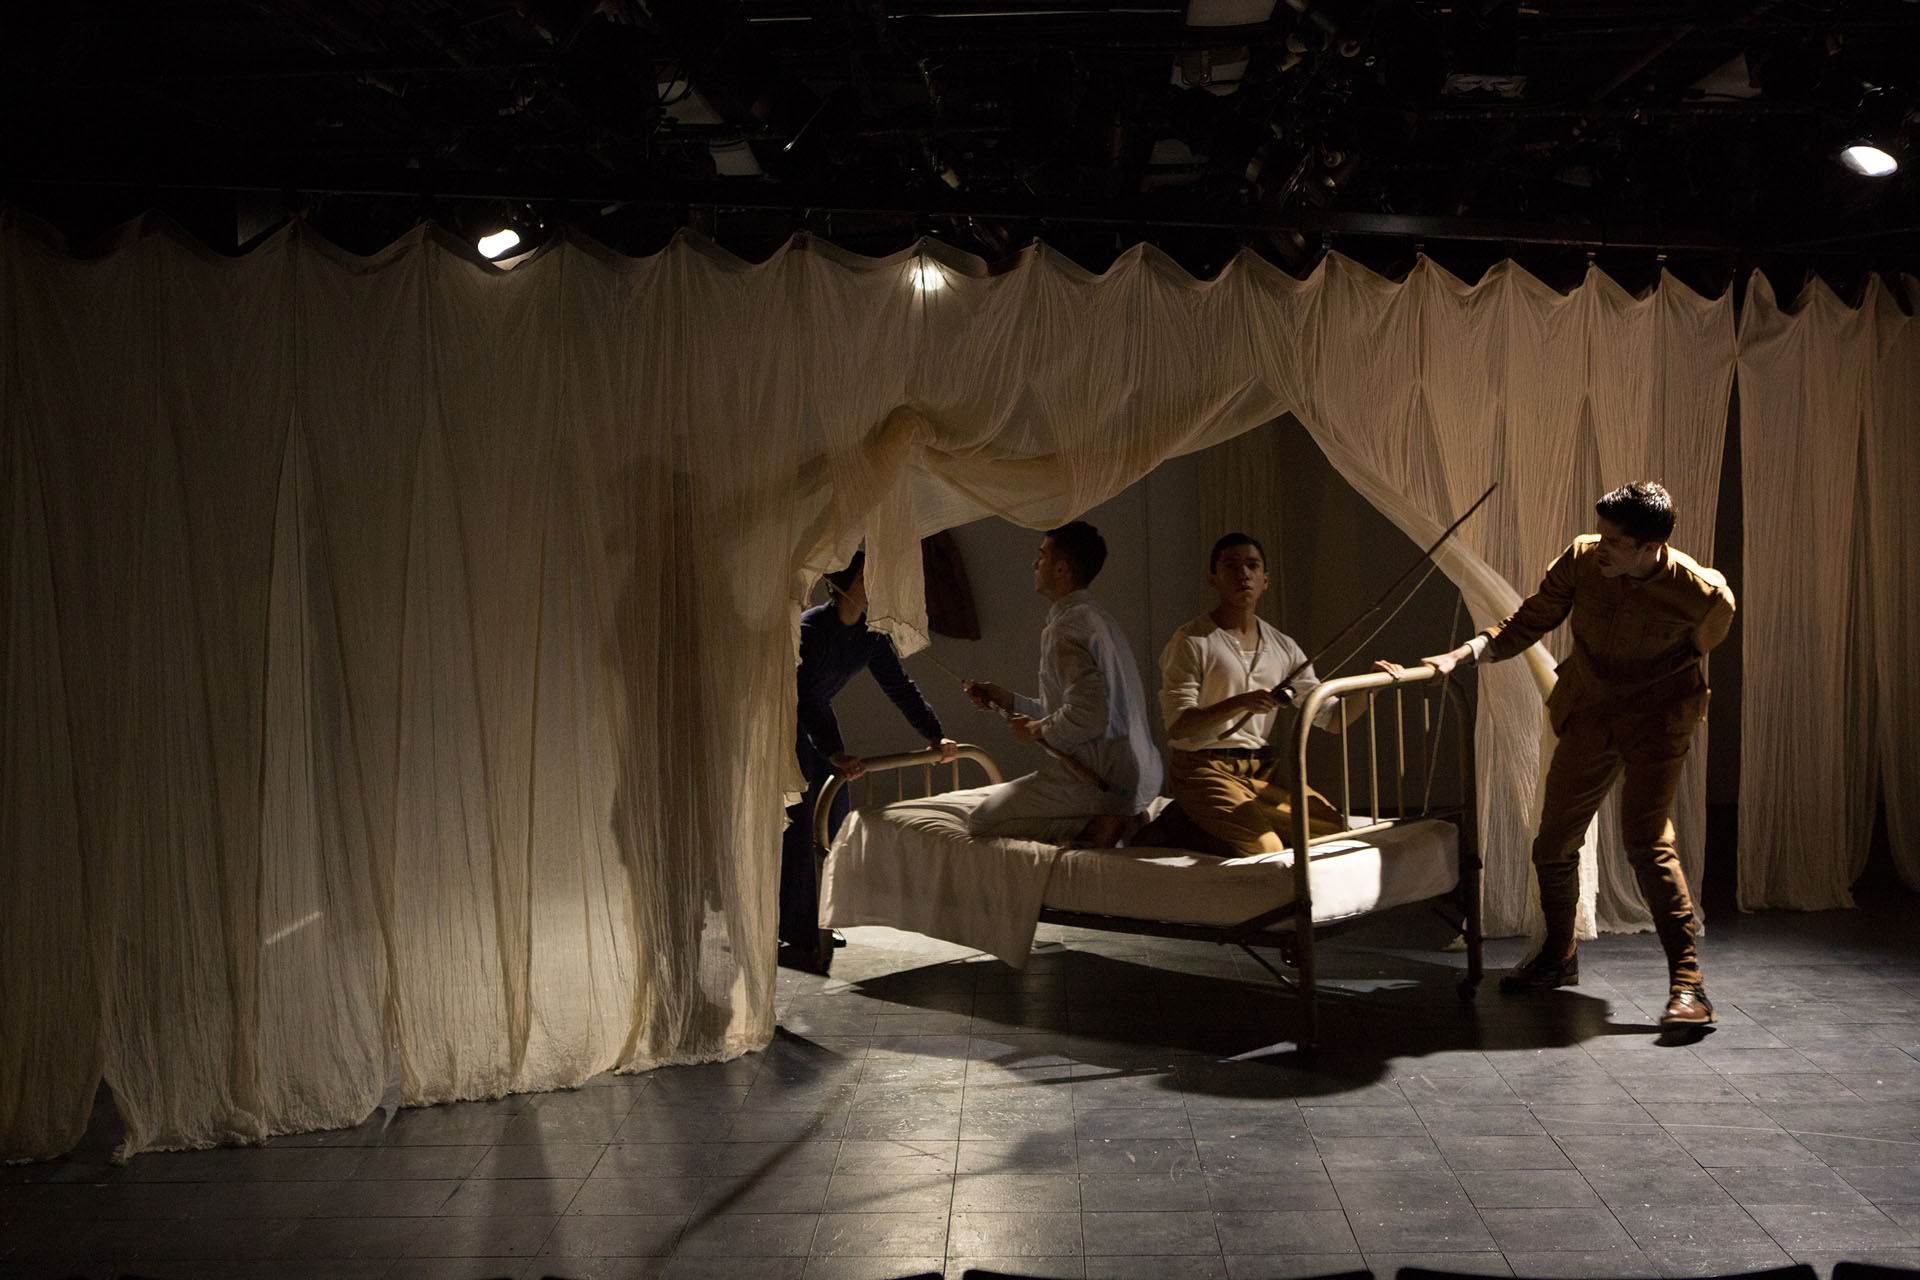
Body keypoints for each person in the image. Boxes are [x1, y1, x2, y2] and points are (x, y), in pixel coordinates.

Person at [1377, 481, 1735, 1027]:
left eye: (1614, 541)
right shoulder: (1583, 559)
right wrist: (1458, 657)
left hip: (1657, 720)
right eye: (1602, 535)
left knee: (1647, 842)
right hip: (1590, 710)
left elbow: (1702, 645)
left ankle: (1689, 986)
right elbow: (1525, 622)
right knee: (1553, 844)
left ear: (1650, 547)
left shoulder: (1705, 594)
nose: (1601, 547)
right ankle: (1558, 956)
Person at [783, 551, 957, 971]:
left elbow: (899, 686)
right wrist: (832, 750)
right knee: (802, 823)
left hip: (816, 725)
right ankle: (795, 925)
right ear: (844, 583)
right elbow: (805, 697)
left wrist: (934, 734)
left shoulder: (870, 633)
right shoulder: (812, 629)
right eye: (865, 577)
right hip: (785, 724)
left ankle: (822, 918)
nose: (875, 583)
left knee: (835, 814)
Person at [1150, 533, 1365, 857]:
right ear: (1213, 579)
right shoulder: (1192, 640)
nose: (1243, 574)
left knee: (1335, 832)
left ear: (1265, 580)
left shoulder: (1282, 646)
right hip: (1202, 769)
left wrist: (1369, 690)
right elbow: (1179, 726)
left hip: (1260, 770)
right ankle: (1181, 826)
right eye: (1231, 566)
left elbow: (1331, 719)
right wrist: (1241, 702)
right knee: (1265, 847)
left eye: (1252, 566)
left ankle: (1197, 818)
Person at [962, 521, 1162, 847]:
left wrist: (1036, 730)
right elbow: (1080, 708)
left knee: (981, 822)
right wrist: (1009, 701)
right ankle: (1119, 816)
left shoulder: (1067, 627)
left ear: (1060, 569)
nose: (1034, 564)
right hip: (1141, 774)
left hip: (1102, 780)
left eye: (1041, 555)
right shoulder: (1097, 618)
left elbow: (1088, 715)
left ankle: (1098, 824)